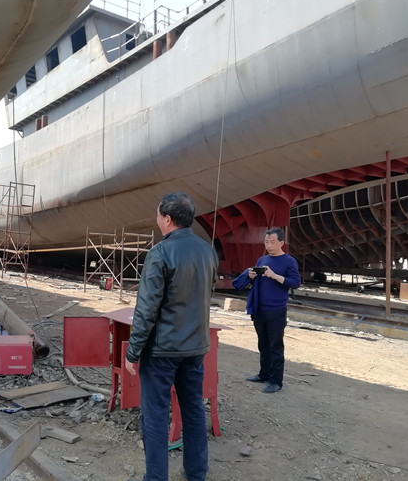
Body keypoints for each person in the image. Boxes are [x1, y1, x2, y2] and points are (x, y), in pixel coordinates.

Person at [124, 192, 218, 481]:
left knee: (155, 415)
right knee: (193, 410)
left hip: (162, 351)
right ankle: (196, 474)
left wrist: (133, 351)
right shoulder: (208, 251)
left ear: (167, 219)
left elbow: (146, 309)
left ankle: (156, 477)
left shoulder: (160, 253)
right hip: (195, 348)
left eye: (158, 214)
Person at [233, 227, 301, 394]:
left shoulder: (289, 261)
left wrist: (275, 276)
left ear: (281, 243)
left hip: (276, 310)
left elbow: (295, 282)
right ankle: (264, 374)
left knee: (275, 346)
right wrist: (250, 276)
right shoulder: (262, 259)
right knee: (263, 344)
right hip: (260, 309)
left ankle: (276, 381)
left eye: (272, 242)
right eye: (266, 242)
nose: (269, 245)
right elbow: (254, 282)